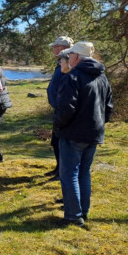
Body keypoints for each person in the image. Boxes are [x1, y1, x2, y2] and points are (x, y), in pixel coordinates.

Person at [54, 42, 114, 226]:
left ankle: (73, 216)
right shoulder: (102, 77)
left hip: (73, 133)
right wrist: (99, 124)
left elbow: (65, 108)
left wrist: (58, 127)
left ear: (77, 57)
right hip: (94, 133)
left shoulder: (73, 77)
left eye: (70, 54)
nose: (68, 57)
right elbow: (108, 107)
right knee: (83, 173)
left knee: (69, 174)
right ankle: (82, 212)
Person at [46, 36, 74, 179]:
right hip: (58, 110)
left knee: (61, 143)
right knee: (56, 142)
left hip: (63, 110)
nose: (53, 49)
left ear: (63, 48)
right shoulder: (60, 63)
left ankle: (62, 173)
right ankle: (58, 169)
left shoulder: (69, 63)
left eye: (55, 46)